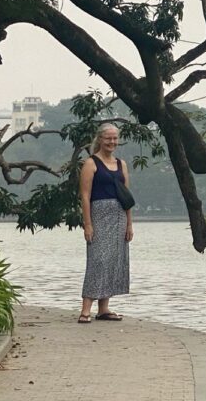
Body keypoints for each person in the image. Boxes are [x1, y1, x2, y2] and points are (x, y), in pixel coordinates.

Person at [78, 123, 134, 323]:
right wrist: (88, 224)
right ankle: (86, 309)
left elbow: (127, 196)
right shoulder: (91, 163)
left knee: (113, 261)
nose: (112, 142)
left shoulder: (122, 164)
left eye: (115, 138)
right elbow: (84, 196)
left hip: (119, 216)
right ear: (100, 139)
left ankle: (104, 308)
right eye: (108, 138)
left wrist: (129, 224)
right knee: (98, 260)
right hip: (98, 216)